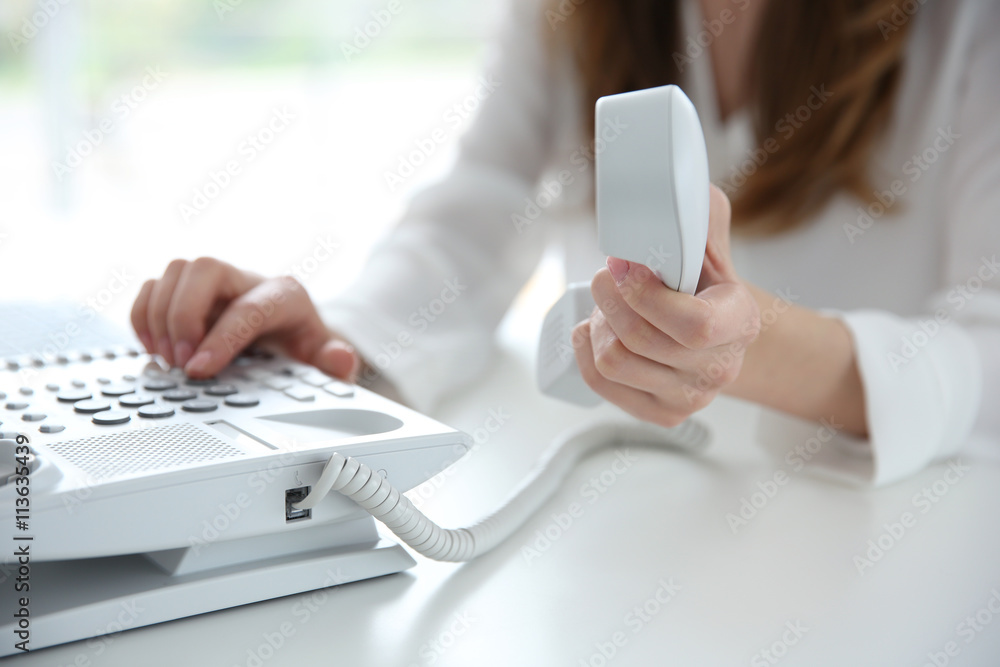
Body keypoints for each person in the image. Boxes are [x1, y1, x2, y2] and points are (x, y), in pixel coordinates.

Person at [131, 0, 1000, 486]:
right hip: (619, 515)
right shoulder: (573, 14)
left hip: (873, 544)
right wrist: (339, 344)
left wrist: (751, 351)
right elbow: (479, 207)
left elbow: (987, 349)